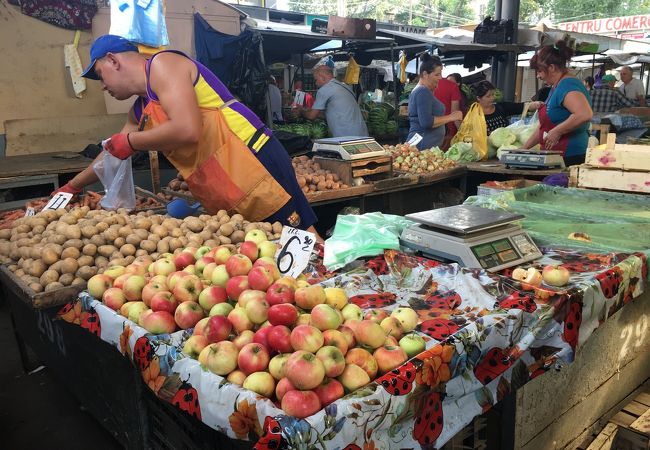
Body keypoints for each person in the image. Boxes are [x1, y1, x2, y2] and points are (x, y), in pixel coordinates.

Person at [53, 34, 318, 234]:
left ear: (113, 60)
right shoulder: (140, 109)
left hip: (254, 159)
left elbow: (187, 129)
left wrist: (131, 141)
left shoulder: (164, 64)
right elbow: (113, 152)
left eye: (100, 75)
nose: (103, 87)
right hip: (224, 179)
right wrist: (72, 186)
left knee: (299, 237)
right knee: (261, 249)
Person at [524, 40, 593, 165]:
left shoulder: (568, 85)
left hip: (569, 157)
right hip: (556, 156)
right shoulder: (557, 86)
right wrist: (523, 149)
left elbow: (584, 114)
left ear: (551, 68)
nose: (538, 76)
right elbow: (545, 127)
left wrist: (557, 131)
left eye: (539, 71)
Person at [406, 53, 463, 150]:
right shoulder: (422, 91)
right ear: (425, 74)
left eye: (440, 73)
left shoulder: (422, 90)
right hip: (422, 145)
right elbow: (427, 122)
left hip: (422, 144)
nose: (440, 78)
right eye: (437, 74)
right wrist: (451, 117)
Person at [297, 65, 368, 137]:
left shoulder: (325, 89)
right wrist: (312, 112)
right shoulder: (344, 87)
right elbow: (335, 114)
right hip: (362, 133)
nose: (315, 83)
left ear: (322, 77)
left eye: (316, 79)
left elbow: (311, 116)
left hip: (347, 136)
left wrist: (301, 111)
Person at [471, 80, 542, 135]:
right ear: (479, 98)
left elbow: (520, 107)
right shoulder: (473, 115)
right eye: (488, 96)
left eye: (493, 94)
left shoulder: (501, 107)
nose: (492, 98)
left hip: (504, 149)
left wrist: (534, 105)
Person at [434, 70, 462, 150]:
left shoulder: (424, 87)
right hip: (449, 131)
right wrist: (463, 132)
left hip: (430, 131)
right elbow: (455, 113)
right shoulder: (452, 86)